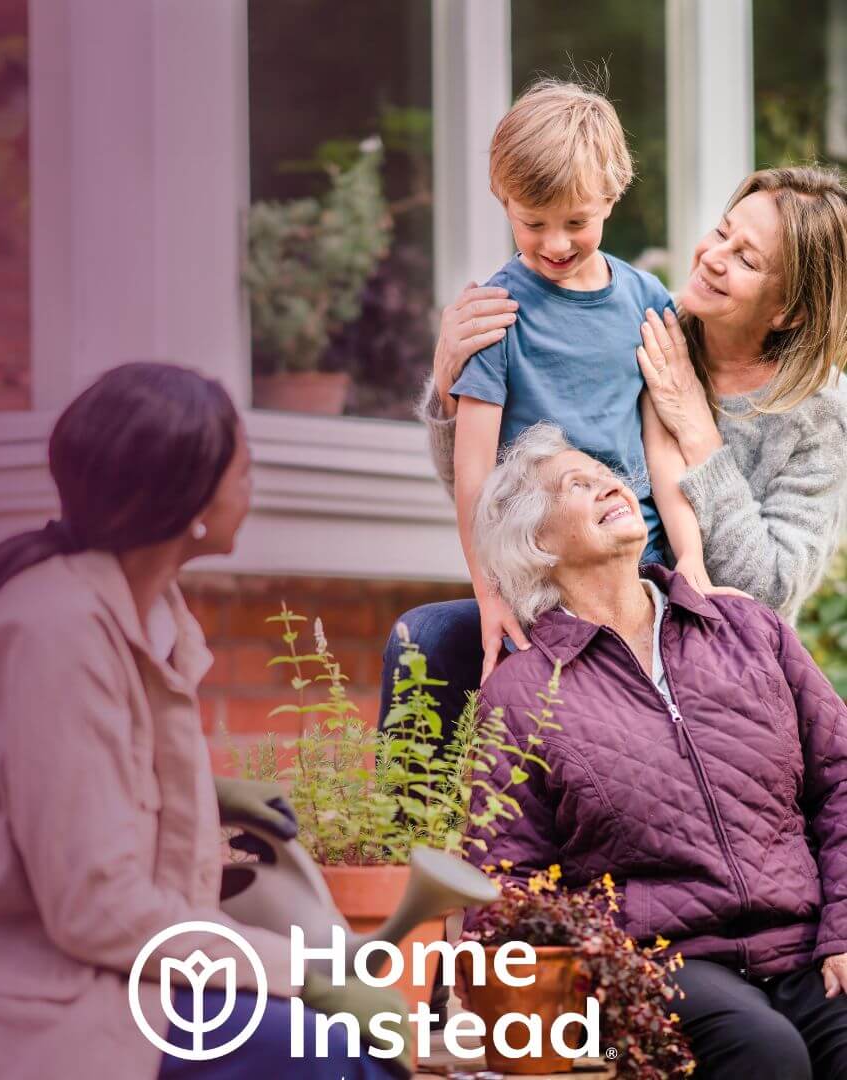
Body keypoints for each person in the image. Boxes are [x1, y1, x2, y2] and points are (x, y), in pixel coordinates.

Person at [0, 364, 410, 1080]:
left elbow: (73, 798)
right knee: (325, 1055)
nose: (252, 485)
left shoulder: (144, 617)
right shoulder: (55, 634)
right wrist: (303, 978)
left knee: (326, 1046)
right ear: (187, 495)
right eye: (242, 469)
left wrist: (201, 798)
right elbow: (97, 909)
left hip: (46, 965)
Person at [385, 164, 847, 745]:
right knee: (426, 639)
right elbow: (493, 488)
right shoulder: (643, 323)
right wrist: (453, 384)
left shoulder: (819, 416)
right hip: (572, 594)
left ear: (790, 311)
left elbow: (767, 593)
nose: (712, 257)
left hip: (706, 645)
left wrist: (699, 435)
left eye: (747, 260)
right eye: (722, 231)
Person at [460, 423, 847, 1079]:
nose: (610, 485)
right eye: (575, 485)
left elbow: (840, 780)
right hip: (656, 964)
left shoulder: (749, 631)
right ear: (538, 544)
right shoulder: (521, 695)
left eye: (607, 474)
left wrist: (843, 929)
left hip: (805, 944)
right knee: (764, 1051)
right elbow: (504, 880)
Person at [442, 79, 711, 688]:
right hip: (545, 572)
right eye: (532, 222)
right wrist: (489, 594)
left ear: (611, 196)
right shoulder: (495, 315)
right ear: (503, 200)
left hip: (640, 561)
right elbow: (473, 473)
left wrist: (690, 555)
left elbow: (660, 446)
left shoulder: (646, 300)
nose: (556, 243)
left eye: (576, 221)